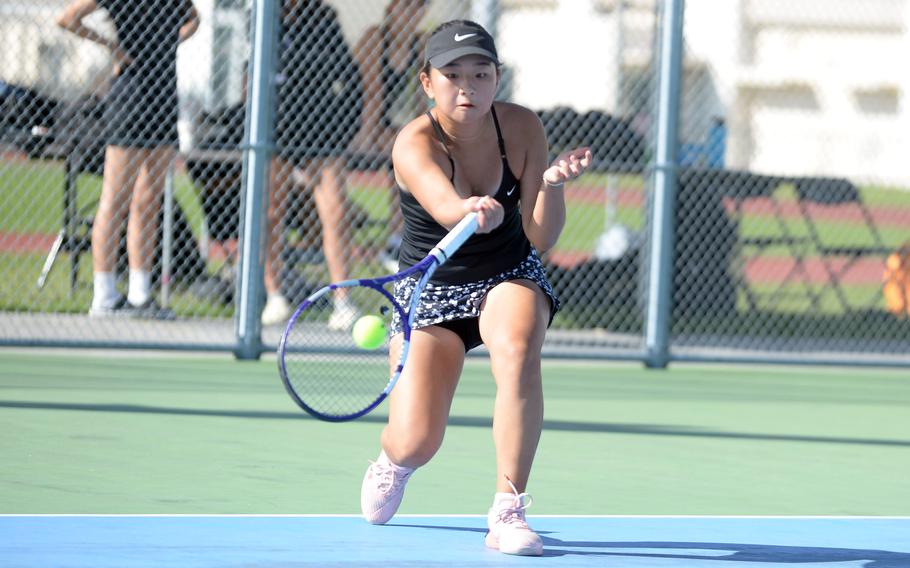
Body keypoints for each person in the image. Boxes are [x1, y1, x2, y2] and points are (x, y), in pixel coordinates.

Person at [359, 20, 592, 556]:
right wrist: (466, 209)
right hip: (431, 290)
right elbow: (443, 205)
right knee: (417, 439)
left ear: (497, 78)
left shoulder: (523, 128)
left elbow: (540, 236)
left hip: (506, 272)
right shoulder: (413, 142)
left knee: (517, 348)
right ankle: (393, 462)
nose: (468, 86)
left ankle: (508, 509)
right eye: (452, 74)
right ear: (427, 81)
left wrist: (552, 188)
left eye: (481, 74)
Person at [57, 0, 199, 318]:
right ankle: (104, 296)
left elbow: (194, 19)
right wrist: (112, 47)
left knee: (149, 200)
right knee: (116, 198)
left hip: (163, 97)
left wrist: (169, 42)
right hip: (130, 96)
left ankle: (139, 295)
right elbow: (68, 19)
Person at [260, 0, 364, 328]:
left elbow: (350, 80)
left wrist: (339, 135)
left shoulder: (323, 17)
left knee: (335, 214)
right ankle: (273, 296)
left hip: (321, 136)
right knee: (271, 213)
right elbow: (254, 79)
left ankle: (342, 300)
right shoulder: (264, 17)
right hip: (274, 133)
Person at [349, 0, 430, 272]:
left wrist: (420, 135)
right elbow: (371, 95)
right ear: (392, 7)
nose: (412, 12)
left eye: (420, 6)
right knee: (404, 152)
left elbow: (421, 100)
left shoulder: (421, 45)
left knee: (414, 156)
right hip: (355, 123)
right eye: (406, 4)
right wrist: (366, 140)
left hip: (390, 128)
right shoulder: (375, 38)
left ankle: (399, 240)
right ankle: (396, 240)